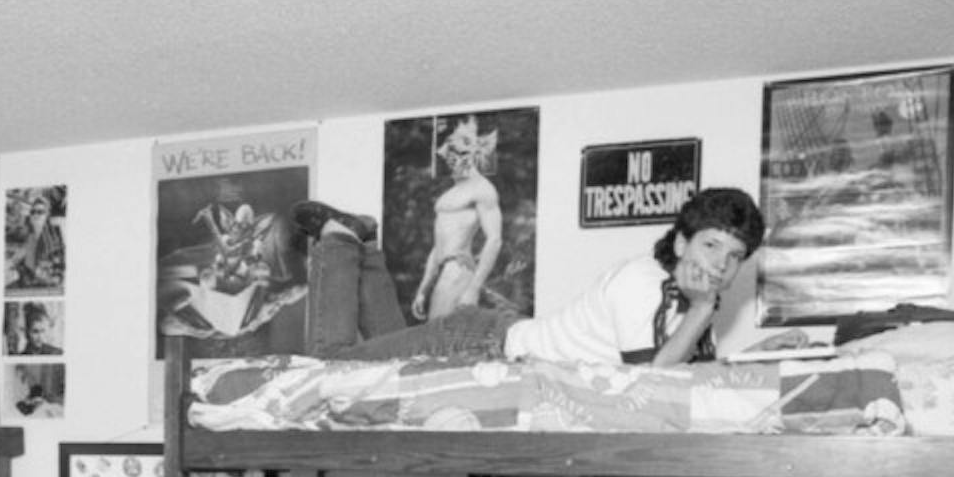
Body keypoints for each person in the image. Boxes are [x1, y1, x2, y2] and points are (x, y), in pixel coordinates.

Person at [290, 185, 806, 367]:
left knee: (380, 354)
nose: (720, 264)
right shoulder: (643, 282)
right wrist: (703, 308)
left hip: (492, 336)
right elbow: (650, 383)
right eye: (711, 245)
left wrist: (765, 355)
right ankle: (339, 239)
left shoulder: (683, 301)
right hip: (476, 344)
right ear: (679, 243)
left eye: (734, 256)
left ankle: (365, 244)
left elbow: (689, 374)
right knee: (332, 366)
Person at [413, 116, 503, 321]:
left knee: (439, 340)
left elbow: (494, 240)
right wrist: (423, 289)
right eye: (450, 149)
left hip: (459, 271)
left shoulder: (482, 188)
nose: (452, 154)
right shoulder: (451, 193)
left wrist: (474, 288)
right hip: (444, 272)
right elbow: (438, 247)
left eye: (462, 147)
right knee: (436, 340)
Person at [7, 191, 64, 290]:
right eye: (33, 212)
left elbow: (56, 277)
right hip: (28, 285)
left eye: (40, 212)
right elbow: (15, 260)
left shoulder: (55, 237)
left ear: (47, 215)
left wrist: (20, 272)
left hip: (45, 288)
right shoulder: (31, 238)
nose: (35, 215)